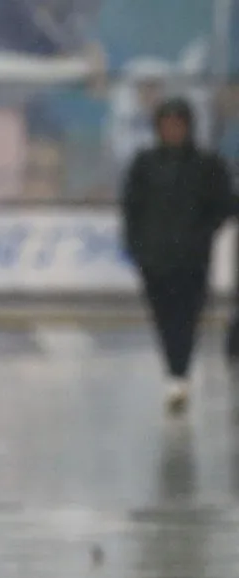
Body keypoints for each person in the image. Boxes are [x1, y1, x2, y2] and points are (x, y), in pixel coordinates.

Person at [123, 98, 232, 413]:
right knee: (163, 317)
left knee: (187, 318)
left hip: (192, 258)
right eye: (166, 125)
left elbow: (223, 205)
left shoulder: (207, 166)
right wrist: (135, 245)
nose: (172, 130)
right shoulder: (144, 164)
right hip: (154, 257)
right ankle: (174, 370)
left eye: (178, 124)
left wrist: (203, 233)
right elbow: (132, 207)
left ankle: (178, 375)